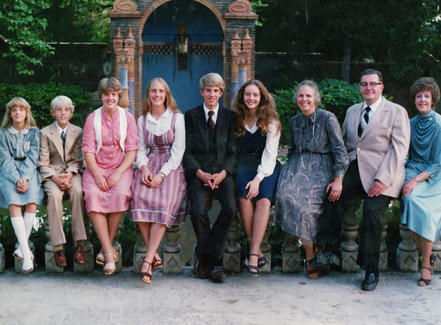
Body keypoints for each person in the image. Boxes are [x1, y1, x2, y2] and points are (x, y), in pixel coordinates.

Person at [311, 69, 410, 291]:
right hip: (354, 170)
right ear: (359, 87)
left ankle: (371, 270)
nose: (368, 88)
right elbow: (345, 145)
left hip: (384, 173)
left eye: (373, 84)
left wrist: (383, 180)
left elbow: (399, 150)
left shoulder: (396, 112)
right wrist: (338, 177)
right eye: (364, 84)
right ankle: (330, 250)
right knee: (332, 195)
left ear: (381, 87)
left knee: (372, 213)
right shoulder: (352, 111)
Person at [273, 80, 348, 280]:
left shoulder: (328, 118)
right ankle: (310, 252)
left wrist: (338, 178)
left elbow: (341, 152)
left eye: (308, 95)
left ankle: (310, 257)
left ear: (316, 98)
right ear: (296, 99)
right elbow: (290, 151)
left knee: (307, 208)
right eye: (301, 95)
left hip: (321, 167)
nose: (304, 99)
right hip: (298, 166)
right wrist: (287, 171)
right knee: (284, 195)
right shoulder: (294, 120)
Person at [130, 78, 187, 284]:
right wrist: (144, 168)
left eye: (161, 91)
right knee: (139, 197)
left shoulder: (176, 119)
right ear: (148, 94)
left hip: (170, 167)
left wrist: (161, 174)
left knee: (163, 203)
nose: (157, 95)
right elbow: (141, 149)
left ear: (166, 94)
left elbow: (178, 151)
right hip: (149, 163)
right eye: (153, 91)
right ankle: (153, 254)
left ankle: (147, 260)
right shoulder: (142, 120)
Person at [183, 73, 237, 283]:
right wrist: (199, 173)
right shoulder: (190, 116)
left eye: (216, 91)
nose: (212, 94)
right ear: (201, 92)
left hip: (222, 173)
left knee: (231, 209)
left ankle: (205, 260)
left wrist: (223, 173)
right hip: (200, 173)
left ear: (221, 93)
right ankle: (213, 263)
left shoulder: (230, 117)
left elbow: (233, 151)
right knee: (197, 211)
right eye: (208, 90)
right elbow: (186, 151)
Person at [82, 78, 138, 275]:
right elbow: (88, 151)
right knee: (92, 195)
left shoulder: (128, 118)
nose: (110, 98)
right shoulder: (92, 118)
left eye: (114, 94)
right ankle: (108, 252)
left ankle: (104, 249)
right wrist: (97, 176)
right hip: (95, 168)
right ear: (101, 96)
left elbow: (132, 151)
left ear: (118, 97)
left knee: (121, 193)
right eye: (106, 94)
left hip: (120, 168)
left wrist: (117, 173)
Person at [232, 79, 281, 276]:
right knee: (245, 197)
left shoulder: (272, 122)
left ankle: (253, 253)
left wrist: (258, 179)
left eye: (255, 95)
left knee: (263, 199)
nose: (251, 98)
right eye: (248, 94)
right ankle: (258, 251)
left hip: (266, 167)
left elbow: (270, 156)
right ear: (242, 97)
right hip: (244, 165)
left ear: (262, 98)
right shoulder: (236, 118)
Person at [38, 95, 87, 268]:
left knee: (78, 192)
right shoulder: (45, 133)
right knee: (53, 196)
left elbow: (78, 158)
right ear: (53, 113)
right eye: (59, 109)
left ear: (71, 113)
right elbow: (43, 161)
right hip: (52, 175)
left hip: (72, 174)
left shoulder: (78, 131)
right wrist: (55, 178)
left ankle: (78, 244)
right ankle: (58, 247)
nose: (63, 112)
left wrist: (70, 174)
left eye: (66, 109)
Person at [401, 77, 441, 287]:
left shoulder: (440, 124)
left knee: (425, 211)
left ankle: (425, 262)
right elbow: (405, 154)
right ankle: (424, 254)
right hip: (413, 170)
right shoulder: (410, 123)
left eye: (426, 96)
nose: (423, 99)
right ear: (414, 100)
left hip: (433, 176)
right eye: (419, 96)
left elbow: (437, 164)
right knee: (410, 200)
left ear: (433, 99)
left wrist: (416, 179)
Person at [0, 97, 44, 273]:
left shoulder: (34, 132)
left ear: (27, 113)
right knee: (13, 200)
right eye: (14, 110)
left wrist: (25, 177)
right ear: (10, 114)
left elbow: (33, 157)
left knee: (32, 198)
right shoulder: (3, 134)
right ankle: (26, 253)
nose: (17, 112)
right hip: (8, 173)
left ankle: (21, 248)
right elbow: (5, 159)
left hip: (29, 171)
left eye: (21, 109)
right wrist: (16, 178)